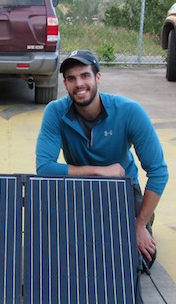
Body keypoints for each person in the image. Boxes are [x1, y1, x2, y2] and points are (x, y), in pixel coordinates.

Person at [36, 50, 168, 268]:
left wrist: (139, 224)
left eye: (85, 75)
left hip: (122, 190)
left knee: (139, 261)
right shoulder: (55, 112)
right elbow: (44, 168)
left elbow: (158, 171)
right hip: (78, 189)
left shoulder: (129, 111)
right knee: (65, 255)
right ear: (65, 83)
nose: (79, 83)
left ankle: (141, 216)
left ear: (98, 77)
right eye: (71, 78)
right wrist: (100, 171)